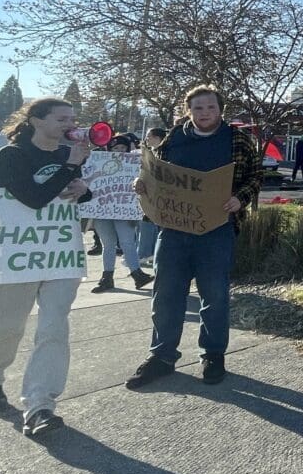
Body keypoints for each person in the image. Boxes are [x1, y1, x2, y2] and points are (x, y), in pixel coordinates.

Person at [125, 85, 262, 389]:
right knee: (166, 294)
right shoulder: (175, 137)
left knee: (214, 295)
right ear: (189, 110)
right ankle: (161, 356)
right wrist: (142, 183)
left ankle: (213, 354)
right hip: (173, 229)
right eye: (198, 108)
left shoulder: (237, 140)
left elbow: (255, 176)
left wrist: (241, 198)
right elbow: (154, 172)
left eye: (210, 108)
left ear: (220, 110)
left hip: (217, 230)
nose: (204, 114)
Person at [0, 97, 92, 437]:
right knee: (6, 325)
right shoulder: (11, 156)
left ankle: (40, 404)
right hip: (16, 259)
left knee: (54, 329)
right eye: (61, 118)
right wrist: (71, 166)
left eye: (72, 118)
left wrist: (83, 188)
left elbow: (69, 196)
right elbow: (33, 198)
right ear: (37, 120)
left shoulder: (66, 156)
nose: (70, 124)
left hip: (58, 257)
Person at [91, 132, 153, 293]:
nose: (119, 150)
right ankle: (107, 276)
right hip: (102, 210)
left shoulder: (135, 164)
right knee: (108, 244)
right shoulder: (99, 163)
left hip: (124, 209)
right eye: (115, 147)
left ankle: (137, 273)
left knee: (127, 242)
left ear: (128, 148)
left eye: (122, 147)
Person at [136, 126, 166, 269]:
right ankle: (147, 253)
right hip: (149, 195)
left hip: (160, 197)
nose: (147, 139)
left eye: (149, 136)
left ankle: (144, 254)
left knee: (150, 226)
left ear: (158, 138)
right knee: (147, 224)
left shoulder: (163, 154)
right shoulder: (149, 154)